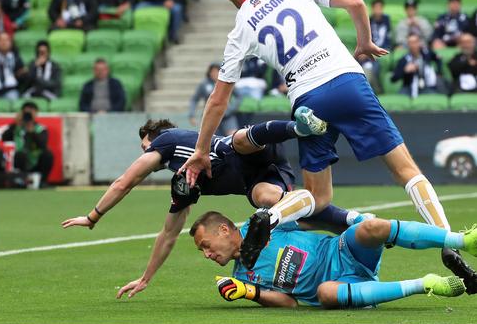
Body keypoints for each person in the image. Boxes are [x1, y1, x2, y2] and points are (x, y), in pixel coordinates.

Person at [177, 0, 477, 292]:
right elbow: (356, 2)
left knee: (317, 197)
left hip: (308, 99)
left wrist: (201, 150)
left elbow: (218, 99)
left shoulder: (241, 26)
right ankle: (447, 243)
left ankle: (270, 216)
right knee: (407, 170)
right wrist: (363, 43)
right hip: (347, 80)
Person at [62, 115, 361, 300]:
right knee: (276, 204)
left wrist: (93, 216)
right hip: (261, 177)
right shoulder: (183, 181)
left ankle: (299, 127)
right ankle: (355, 221)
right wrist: (146, 277)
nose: (144, 156)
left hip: (249, 150)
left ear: (157, 140)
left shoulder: (166, 142)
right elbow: (168, 233)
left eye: (145, 148)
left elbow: (124, 182)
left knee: (238, 139)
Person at [191, 211, 473, 308]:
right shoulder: (240, 276)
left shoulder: (265, 223)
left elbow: (313, 215)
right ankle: (426, 284)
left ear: (224, 230)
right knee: (325, 293)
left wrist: (352, 221)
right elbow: (289, 303)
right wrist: (249, 292)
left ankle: (462, 241)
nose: (207, 254)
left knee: (371, 227)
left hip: (341, 250)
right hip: (337, 284)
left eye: (206, 245)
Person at [1, 101, 54, 188]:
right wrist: (16, 123)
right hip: (22, 160)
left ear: (36, 114)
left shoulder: (40, 128)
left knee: (48, 154)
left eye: (31, 112)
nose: (28, 115)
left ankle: (43, 181)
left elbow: (43, 145)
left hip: (36, 160)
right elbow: (4, 138)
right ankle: (21, 180)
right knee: (20, 155)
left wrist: (31, 131)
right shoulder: (16, 127)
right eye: (26, 113)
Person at [189, 63, 241, 136]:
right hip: (210, 116)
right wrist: (192, 114)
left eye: (217, 71)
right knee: (206, 138)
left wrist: (231, 108)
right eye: (212, 72)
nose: (214, 74)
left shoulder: (227, 82)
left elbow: (239, 96)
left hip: (226, 115)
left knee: (233, 136)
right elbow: (194, 99)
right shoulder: (204, 84)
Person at [359, 0, 391, 93]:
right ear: (372, 9)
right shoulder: (368, 20)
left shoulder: (386, 20)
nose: (378, 10)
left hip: (382, 50)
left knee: (373, 67)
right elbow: (363, 38)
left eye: (380, 8)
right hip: (369, 50)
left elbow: (387, 40)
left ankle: (373, 90)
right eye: (376, 7)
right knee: (361, 62)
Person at [0, 31, 28, 101]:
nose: (3, 43)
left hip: (10, 89)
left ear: (11, 43)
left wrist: (21, 74)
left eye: (6, 40)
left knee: (13, 97)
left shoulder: (16, 57)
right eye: (1, 40)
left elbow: (22, 74)